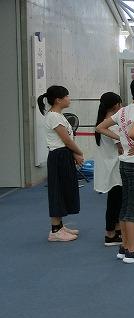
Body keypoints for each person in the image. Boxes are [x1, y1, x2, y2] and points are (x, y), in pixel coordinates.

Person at [97, 77, 134, 263]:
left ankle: (125, 247)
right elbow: (133, 133)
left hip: (124, 162)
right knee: (133, 207)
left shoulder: (123, 111)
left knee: (125, 205)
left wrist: (121, 139)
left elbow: (100, 127)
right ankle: (132, 251)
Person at [39, 85, 83, 242]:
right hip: (59, 155)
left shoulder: (58, 115)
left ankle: (59, 226)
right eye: (66, 96)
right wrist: (79, 153)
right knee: (58, 190)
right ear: (58, 100)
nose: (69, 99)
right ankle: (55, 230)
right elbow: (66, 140)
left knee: (64, 190)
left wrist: (73, 153)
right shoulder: (54, 117)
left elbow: (67, 139)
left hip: (63, 154)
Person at [94, 92, 124, 247]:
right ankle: (110, 234)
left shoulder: (102, 121)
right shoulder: (111, 124)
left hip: (109, 166)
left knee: (115, 200)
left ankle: (117, 230)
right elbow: (121, 147)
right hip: (115, 167)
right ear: (116, 105)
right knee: (115, 202)